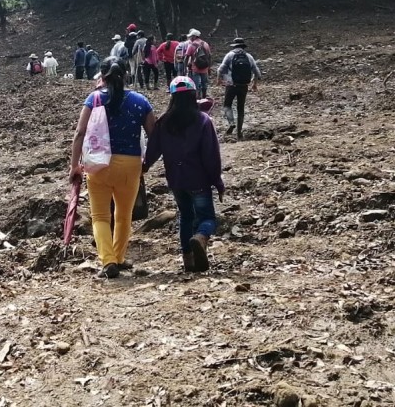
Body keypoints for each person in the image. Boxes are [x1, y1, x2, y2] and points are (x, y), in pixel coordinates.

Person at [68, 56, 156, 279]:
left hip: (98, 165)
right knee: (124, 214)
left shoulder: (94, 99)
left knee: (99, 216)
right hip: (130, 165)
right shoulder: (140, 101)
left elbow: (79, 133)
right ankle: (118, 257)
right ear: (125, 75)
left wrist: (74, 166)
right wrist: (147, 163)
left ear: (102, 76)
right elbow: (155, 136)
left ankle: (108, 262)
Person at [143, 76, 224, 273]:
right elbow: (211, 155)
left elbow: (153, 150)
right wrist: (217, 181)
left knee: (186, 216)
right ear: (193, 95)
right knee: (207, 219)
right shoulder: (203, 121)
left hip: (176, 180)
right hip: (199, 179)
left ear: (172, 97)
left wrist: (143, 168)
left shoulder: (163, 122)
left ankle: (188, 260)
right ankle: (201, 237)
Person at [216, 37, 262, 141]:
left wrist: (219, 80)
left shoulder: (230, 55)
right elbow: (257, 72)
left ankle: (231, 123)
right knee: (240, 108)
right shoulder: (248, 56)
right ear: (243, 46)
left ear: (234, 46)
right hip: (243, 86)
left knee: (227, 105)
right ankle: (239, 133)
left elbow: (220, 69)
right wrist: (254, 84)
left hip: (231, 85)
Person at [184, 28, 213, 99]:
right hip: (205, 68)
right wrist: (209, 67)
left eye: (191, 36)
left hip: (195, 68)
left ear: (194, 36)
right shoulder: (205, 44)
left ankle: (197, 98)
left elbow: (186, 57)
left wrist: (185, 68)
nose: (190, 38)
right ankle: (204, 97)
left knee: (196, 84)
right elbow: (209, 56)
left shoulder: (192, 45)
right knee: (204, 84)